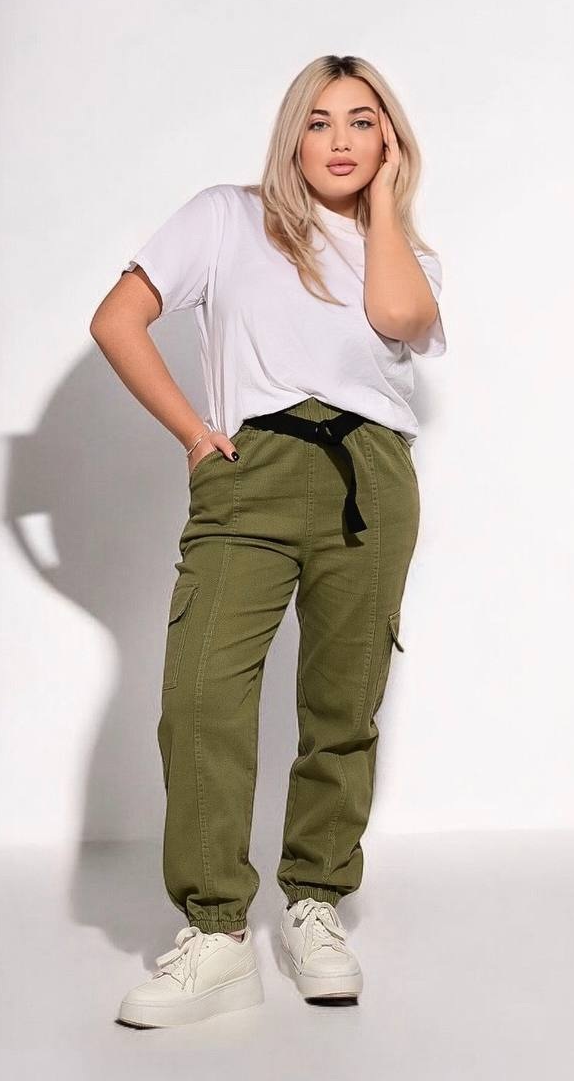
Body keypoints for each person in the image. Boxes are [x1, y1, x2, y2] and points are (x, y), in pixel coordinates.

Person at [89, 54, 447, 1029]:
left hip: (369, 479)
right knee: (200, 693)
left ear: (389, 140)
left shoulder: (404, 255)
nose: (339, 140)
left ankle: (313, 904)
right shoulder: (225, 216)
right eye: (318, 121)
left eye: (362, 121)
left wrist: (383, 207)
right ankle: (215, 934)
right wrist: (190, 432)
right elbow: (118, 319)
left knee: (342, 704)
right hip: (250, 470)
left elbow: (396, 317)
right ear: (292, 135)